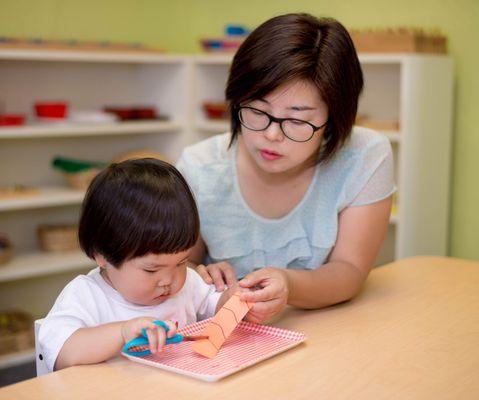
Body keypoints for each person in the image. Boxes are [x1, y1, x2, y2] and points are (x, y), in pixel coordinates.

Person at [176, 13, 395, 323]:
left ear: (334, 118)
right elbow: (178, 264)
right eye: (257, 110)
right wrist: (198, 276)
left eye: (296, 119)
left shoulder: (365, 155)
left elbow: (350, 270)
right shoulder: (198, 166)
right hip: (228, 339)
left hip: (325, 332)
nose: (271, 135)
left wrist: (289, 284)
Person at [39, 159, 237, 372]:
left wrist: (237, 296)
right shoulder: (85, 295)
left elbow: (217, 307)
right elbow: (61, 353)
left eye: (181, 262)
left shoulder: (188, 283)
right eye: (151, 270)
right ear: (102, 254)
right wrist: (123, 332)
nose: (169, 280)